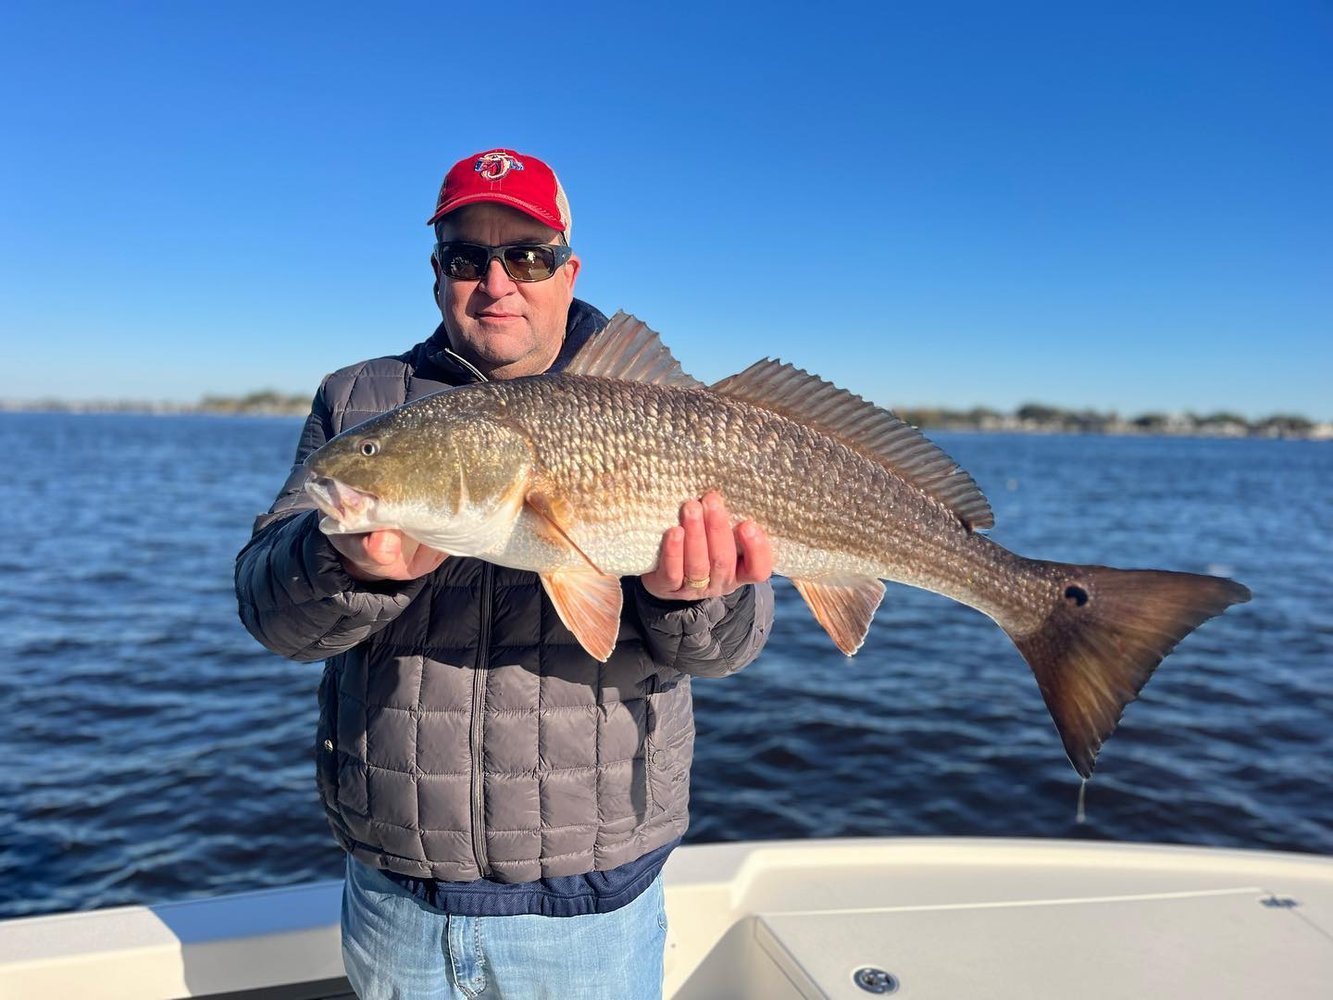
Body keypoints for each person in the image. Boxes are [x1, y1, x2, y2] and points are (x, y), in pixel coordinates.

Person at [234, 148, 776, 999]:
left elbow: (726, 649)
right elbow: (270, 611)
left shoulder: (677, 416)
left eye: (525, 255)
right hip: (395, 893)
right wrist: (339, 563)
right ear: (436, 272)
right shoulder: (358, 398)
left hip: (593, 903)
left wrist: (690, 603)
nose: (496, 282)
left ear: (568, 269)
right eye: (465, 256)